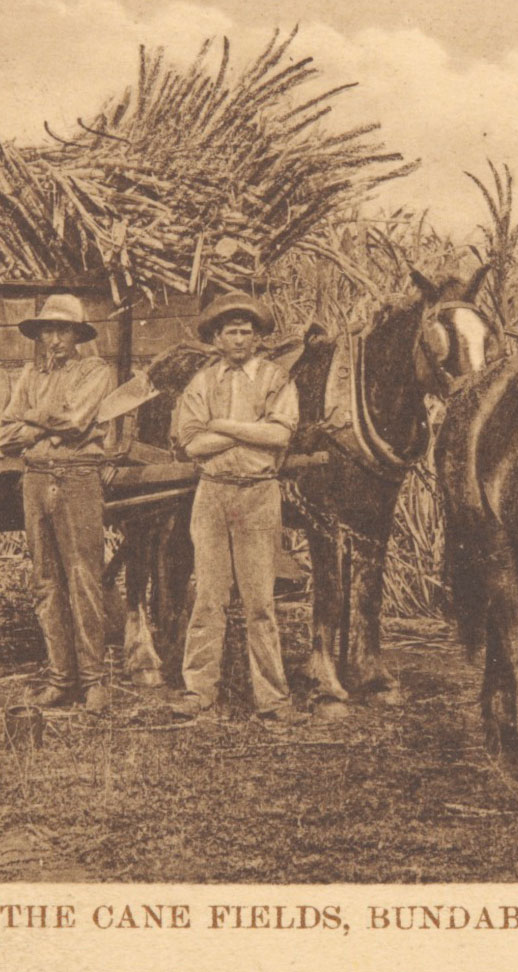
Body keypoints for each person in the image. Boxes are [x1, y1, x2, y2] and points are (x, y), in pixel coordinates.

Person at [169, 291, 307, 725]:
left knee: (260, 603)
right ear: (216, 338)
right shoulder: (203, 383)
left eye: (247, 332)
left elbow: (280, 436)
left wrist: (223, 426)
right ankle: (199, 693)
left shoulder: (275, 379)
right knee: (208, 598)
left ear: (257, 337)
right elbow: (192, 444)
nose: (240, 339)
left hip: (257, 495)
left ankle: (272, 700)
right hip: (211, 495)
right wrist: (251, 431)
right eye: (232, 332)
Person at [0, 294, 120, 710]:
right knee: (45, 579)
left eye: (62, 330)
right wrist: (42, 425)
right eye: (47, 330)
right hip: (35, 478)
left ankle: (93, 679)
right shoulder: (30, 375)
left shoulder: (96, 371)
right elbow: (6, 435)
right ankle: (60, 677)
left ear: (77, 334)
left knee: (83, 576)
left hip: (77, 476)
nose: (54, 339)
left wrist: (33, 419)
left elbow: (77, 420)